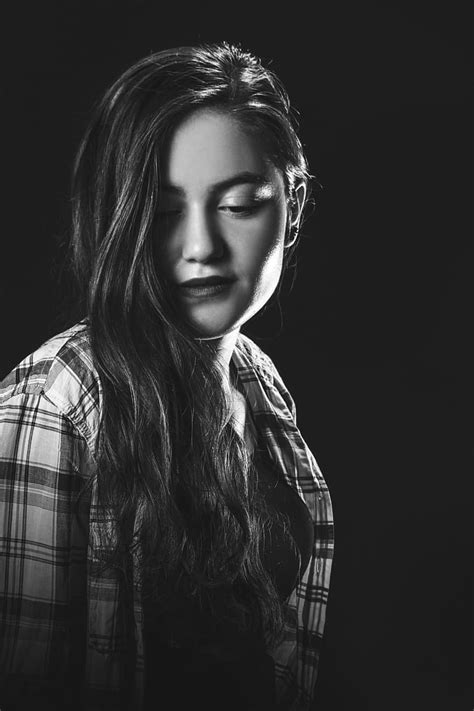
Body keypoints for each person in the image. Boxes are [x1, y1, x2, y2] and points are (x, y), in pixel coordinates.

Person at [0, 42, 334, 711]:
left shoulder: (260, 386)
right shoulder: (54, 403)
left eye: (238, 204)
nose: (201, 246)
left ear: (292, 207)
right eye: (163, 209)